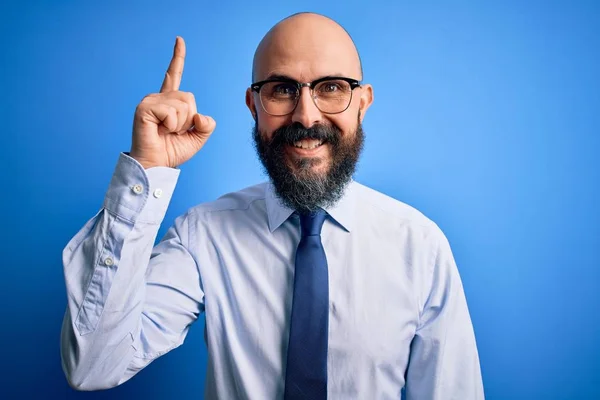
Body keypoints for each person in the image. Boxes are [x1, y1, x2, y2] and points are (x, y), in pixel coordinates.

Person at [60, 12, 484, 400]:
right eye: (282, 90)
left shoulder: (420, 247)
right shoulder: (202, 236)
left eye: (331, 88)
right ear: (253, 105)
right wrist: (147, 170)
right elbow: (93, 366)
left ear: (363, 102)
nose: (305, 115)